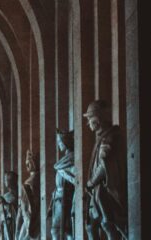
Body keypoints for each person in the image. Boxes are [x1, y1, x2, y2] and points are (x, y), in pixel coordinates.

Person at [83, 101, 127, 240]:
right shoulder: (103, 137)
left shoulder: (109, 137)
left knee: (108, 224)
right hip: (98, 191)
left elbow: (103, 166)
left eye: (90, 119)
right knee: (92, 225)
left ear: (97, 120)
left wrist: (90, 182)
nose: (88, 123)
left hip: (105, 189)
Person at [48, 130, 75, 240]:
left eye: (60, 142)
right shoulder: (64, 160)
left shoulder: (71, 157)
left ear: (66, 142)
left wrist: (64, 173)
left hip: (65, 197)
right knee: (66, 230)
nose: (59, 144)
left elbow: (74, 177)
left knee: (57, 230)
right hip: (58, 198)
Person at [17, 150, 41, 240]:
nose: (27, 166)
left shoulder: (35, 179)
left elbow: (34, 200)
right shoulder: (30, 180)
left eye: (29, 163)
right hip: (26, 214)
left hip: (31, 216)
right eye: (26, 163)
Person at [0, 171, 19, 240]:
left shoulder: (18, 193)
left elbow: (17, 207)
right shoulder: (6, 195)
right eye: (5, 179)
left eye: (6, 179)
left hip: (11, 225)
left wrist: (5, 203)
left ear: (13, 180)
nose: (5, 181)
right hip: (3, 225)